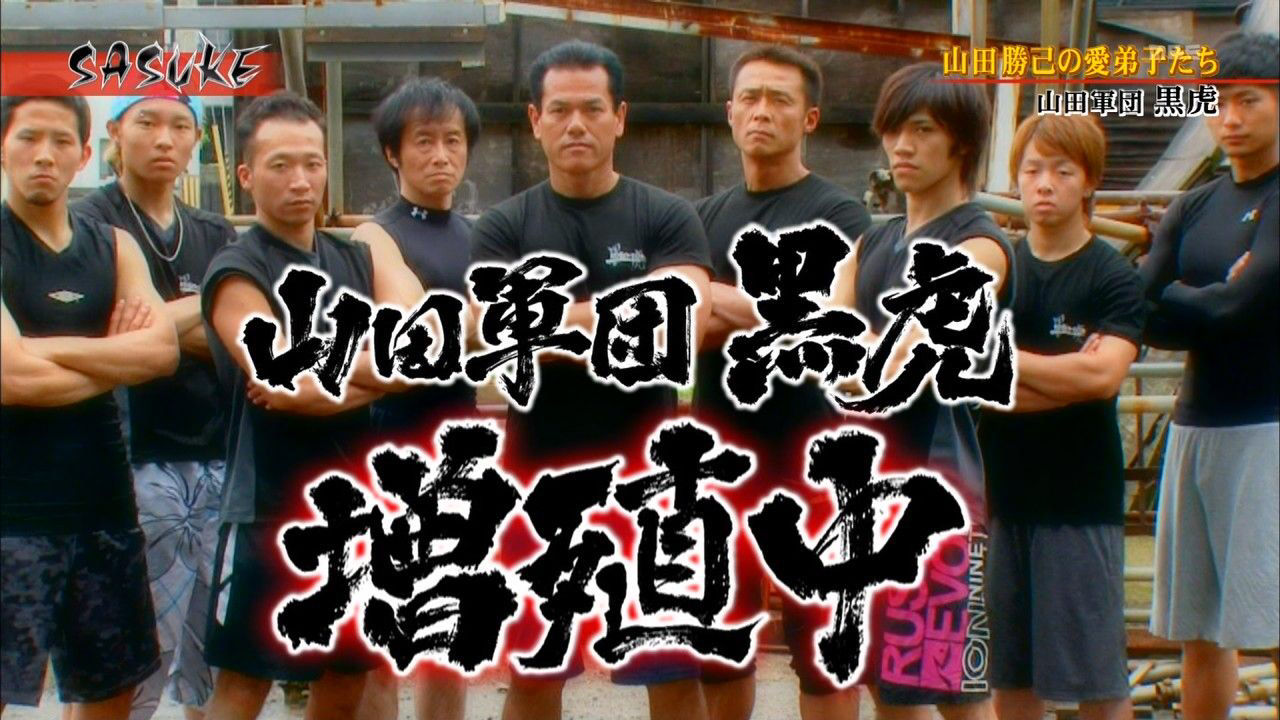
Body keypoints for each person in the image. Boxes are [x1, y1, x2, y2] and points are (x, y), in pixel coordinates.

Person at [469, 39, 714, 720]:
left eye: (592, 108)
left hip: (651, 486)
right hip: (536, 485)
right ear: (535, 120)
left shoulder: (666, 215)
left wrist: (553, 322)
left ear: (620, 117)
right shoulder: (504, 225)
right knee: (536, 670)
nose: (576, 124)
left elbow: (677, 322)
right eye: (560, 110)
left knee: (672, 669)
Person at [199, 90, 424, 720]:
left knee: (345, 678)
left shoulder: (356, 255)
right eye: (280, 165)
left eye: (313, 163)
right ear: (246, 175)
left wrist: (324, 382)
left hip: (356, 509)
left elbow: (420, 348)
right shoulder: (237, 269)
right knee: (244, 685)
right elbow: (281, 376)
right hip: (267, 510)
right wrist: (378, 370)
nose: (301, 180)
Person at [690, 45, 871, 720]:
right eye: (751, 98)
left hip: (815, 458)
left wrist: (724, 300)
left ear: (810, 118)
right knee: (721, 638)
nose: (762, 112)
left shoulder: (841, 216)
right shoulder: (701, 218)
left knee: (823, 647)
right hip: (722, 460)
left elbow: (833, 321)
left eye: (780, 100)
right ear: (730, 111)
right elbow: (687, 325)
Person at [834, 61, 1012, 720]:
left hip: (940, 490)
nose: (901, 147)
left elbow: (902, 351)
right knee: (887, 683)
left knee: (955, 685)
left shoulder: (980, 243)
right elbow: (833, 343)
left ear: (960, 142)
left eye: (922, 130)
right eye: (892, 131)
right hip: (866, 486)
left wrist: (862, 353)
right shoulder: (873, 240)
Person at [1, 95, 179, 718]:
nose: (43, 155)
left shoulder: (115, 245)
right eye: (28, 138)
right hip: (10, 512)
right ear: (3, 148)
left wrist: (41, 350)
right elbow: (12, 379)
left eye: (59, 141)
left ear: (83, 155)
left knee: (110, 691)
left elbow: (160, 352)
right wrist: (111, 357)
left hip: (104, 505)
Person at [73, 93, 236, 720]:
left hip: (215, 456)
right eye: (147, 122)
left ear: (196, 140)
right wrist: (201, 315)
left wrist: (153, 328)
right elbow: (98, 336)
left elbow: (237, 333)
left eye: (180, 126)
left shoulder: (214, 231)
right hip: (123, 462)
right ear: (114, 132)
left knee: (210, 654)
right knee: (123, 663)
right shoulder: (88, 225)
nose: (165, 138)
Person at [977, 114, 1142, 720]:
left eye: (1062, 171)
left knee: (1097, 679)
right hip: (1000, 498)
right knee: (1009, 674)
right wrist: (1067, 377)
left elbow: (1102, 378)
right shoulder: (998, 275)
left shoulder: (1112, 275)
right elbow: (969, 384)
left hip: (1079, 503)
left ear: (1089, 180)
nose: (1044, 183)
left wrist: (1003, 363)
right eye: (1032, 170)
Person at [1140, 30, 1279, 719]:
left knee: (1272, 619)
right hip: (1196, 427)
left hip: (1268, 428)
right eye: (1219, 102)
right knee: (1198, 629)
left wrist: (1183, 295)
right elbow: (1141, 311)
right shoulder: (1194, 204)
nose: (1231, 117)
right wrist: (1206, 296)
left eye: (1249, 101)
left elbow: (1236, 307)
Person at [352, 76, 481, 720]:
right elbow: (414, 328)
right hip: (388, 447)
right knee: (382, 631)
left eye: (452, 140)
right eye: (423, 141)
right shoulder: (373, 235)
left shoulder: (482, 236)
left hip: (460, 448)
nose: (440, 155)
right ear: (392, 153)